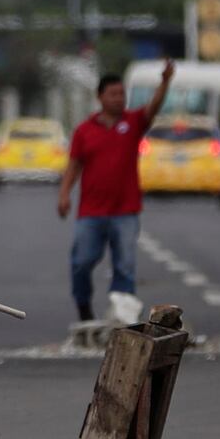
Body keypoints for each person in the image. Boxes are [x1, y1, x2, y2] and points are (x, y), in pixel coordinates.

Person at [58, 59, 174, 321]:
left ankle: (122, 317)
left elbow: (153, 108)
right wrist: (64, 195)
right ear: (100, 97)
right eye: (113, 94)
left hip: (125, 210)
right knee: (81, 262)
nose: (119, 99)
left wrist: (165, 82)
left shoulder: (133, 123)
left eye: (122, 94)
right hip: (91, 211)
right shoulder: (84, 131)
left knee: (124, 266)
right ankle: (84, 308)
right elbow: (74, 165)